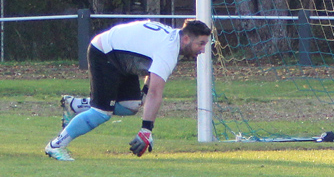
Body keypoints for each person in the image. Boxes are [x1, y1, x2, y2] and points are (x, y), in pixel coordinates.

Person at [45, 18, 212, 161]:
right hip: (105, 52)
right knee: (101, 112)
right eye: (201, 44)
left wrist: (144, 93)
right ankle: (56, 145)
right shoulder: (169, 49)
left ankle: (74, 105)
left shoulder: (174, 40)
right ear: (186, 39)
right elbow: (156, 93)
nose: (203, 49)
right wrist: (146, 130)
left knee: (131, 106)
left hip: (122, 59)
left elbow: (151, 72)